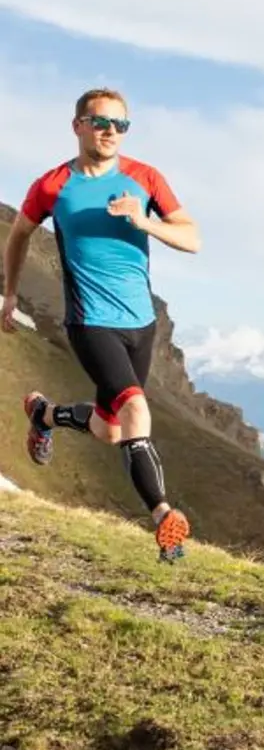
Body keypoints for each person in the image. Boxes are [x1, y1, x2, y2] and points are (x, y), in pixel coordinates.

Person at [1, 88, 202, 561]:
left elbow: (192, 238)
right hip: (89, 322)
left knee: (111, 429)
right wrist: (10, 294)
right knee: (136, 411)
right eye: (101, 122)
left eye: (121, 125)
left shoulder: (145, 178)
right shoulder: (52, 186)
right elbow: (19, 235)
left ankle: (44, 415)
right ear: (78, 126)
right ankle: (164, 519)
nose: (111, 132)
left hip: (142, 323)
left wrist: (144, 223)